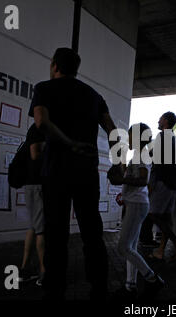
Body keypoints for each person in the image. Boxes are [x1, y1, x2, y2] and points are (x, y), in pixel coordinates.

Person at [29, 48, 118, 300]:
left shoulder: (44, 88)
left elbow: (41, 121)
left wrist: (69, 143)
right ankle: (99, 289)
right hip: (86, 172)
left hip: (56, 171)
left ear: (54, 65)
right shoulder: (93, 95)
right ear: (76, 68)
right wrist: (119, 164)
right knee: (92, 232)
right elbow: (112, 130)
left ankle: (55, 290)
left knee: (56, 234)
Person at [113, 123, 164, 301]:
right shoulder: (138, 154)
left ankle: (151, 278)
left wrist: (121, 178)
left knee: (123, 247)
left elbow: (143, 181)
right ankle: (130, 286)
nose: (128, 138)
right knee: (131, 247)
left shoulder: (142, 155)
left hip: (137, 204)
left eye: (130, 135)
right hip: (135, 203)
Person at [147, 112, 176, 262]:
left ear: (165, 121)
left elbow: (156, 161)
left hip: (162, 181)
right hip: (174, 183)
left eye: (160, 118)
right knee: (165, 217)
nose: (158, 120)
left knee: (153, 213)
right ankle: (161, 250)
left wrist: (152, 184)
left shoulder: (162, 137)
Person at [18, 123, 46, 286]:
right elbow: (36, 154)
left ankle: (25, 269)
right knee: (41, 229)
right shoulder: (39, 129)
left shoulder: (33, 129)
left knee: (33, 227)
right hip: (38, 185)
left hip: (31, 184)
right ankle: (44, 272)